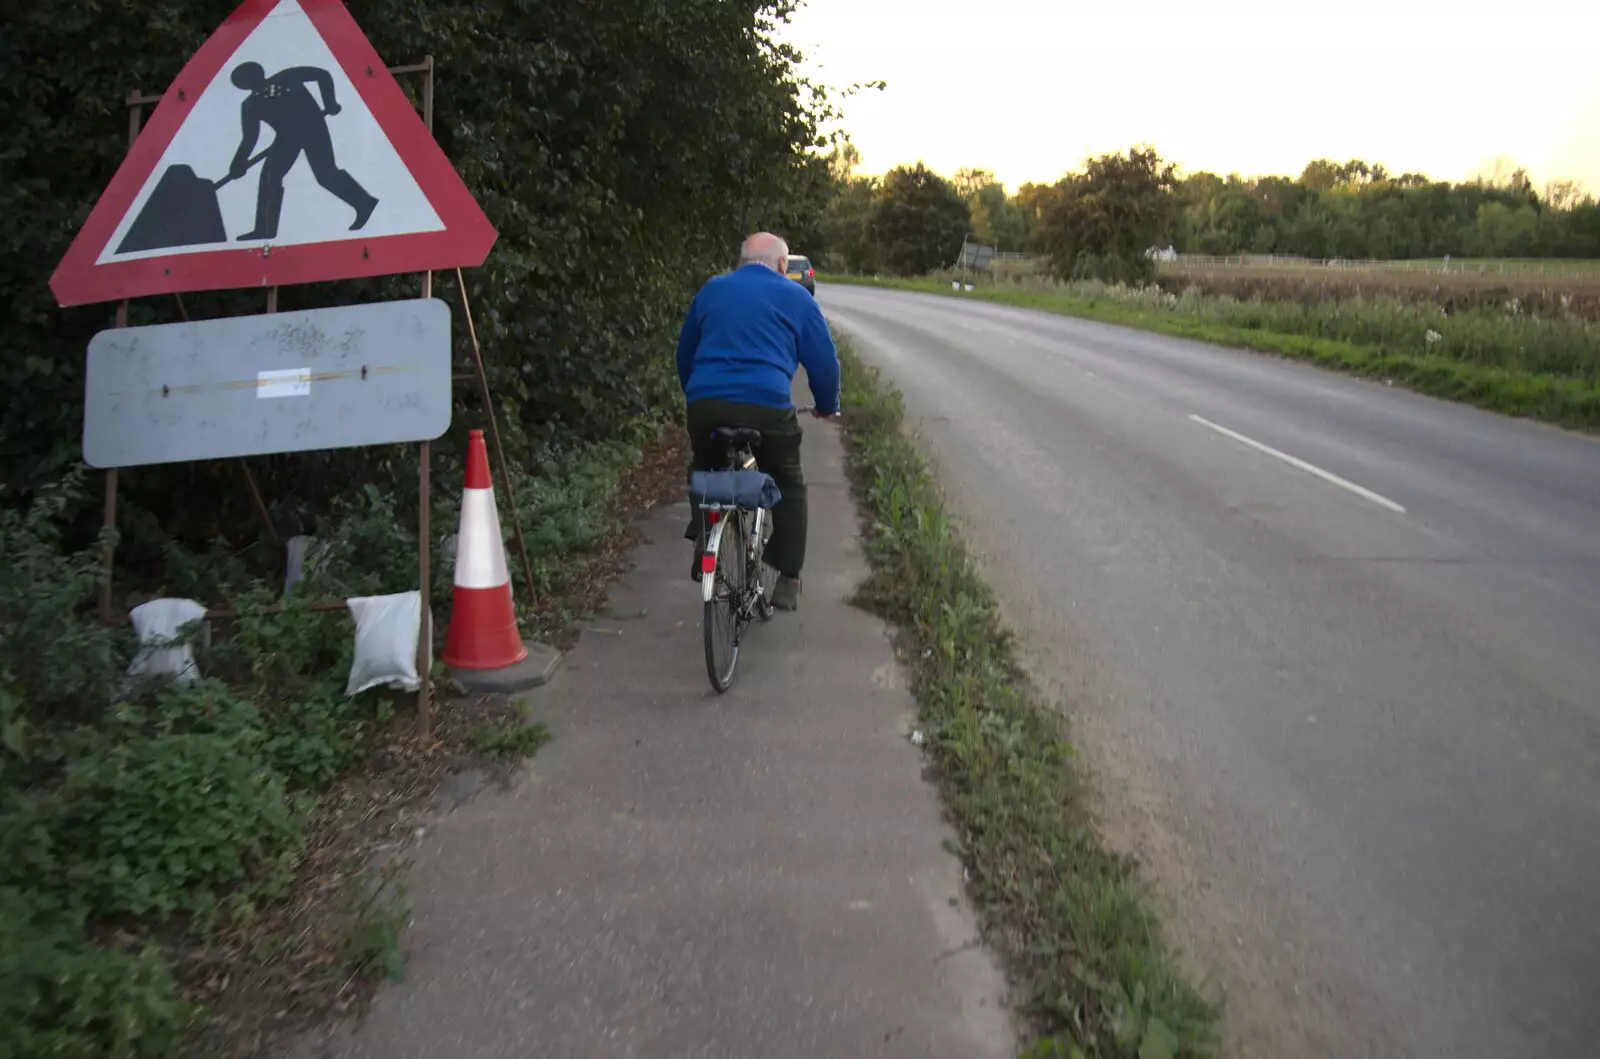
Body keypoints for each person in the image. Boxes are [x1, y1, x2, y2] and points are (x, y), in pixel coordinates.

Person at [676, 233, 841, 612]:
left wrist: (698, 395)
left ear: (742, 260)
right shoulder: (797, 297)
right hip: (767, 406)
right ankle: (788, 577)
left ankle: (705, 534)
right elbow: (824, 362)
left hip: (707, 402)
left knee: (705, 463)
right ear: (783, 265)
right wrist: (826, 404)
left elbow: (685, 352)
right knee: (788, 483)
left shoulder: (712, 290)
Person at [226, 62, 379, 241]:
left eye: (248, 76)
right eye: (242, 80)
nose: (248, 81)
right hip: (286, 138)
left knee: (325, 174)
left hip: (311, 126)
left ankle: (364, 203)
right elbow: (250, 138)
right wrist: (238, 163)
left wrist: (329, 102)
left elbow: (322, 74)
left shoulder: (286, 77)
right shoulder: (250, 105)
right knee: (269, 176)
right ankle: (264, 229)